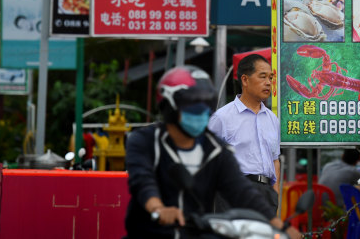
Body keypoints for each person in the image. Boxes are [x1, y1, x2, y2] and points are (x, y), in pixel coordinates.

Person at [123, 65, 299, 239]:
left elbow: (241, 190)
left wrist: (280, 225)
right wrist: (158, 208)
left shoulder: (214, 149)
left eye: (206, 106)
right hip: (151, 232)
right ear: (170, 106)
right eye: (194, 106)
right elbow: (143, 182)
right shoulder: (144, 141)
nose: (202, 113)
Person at [208, 54, 280, 217]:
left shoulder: (272, 119)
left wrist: (275, 194)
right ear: (245, 80)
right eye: (262, 77)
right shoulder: (222, 117)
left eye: (270, 77)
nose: (268, 82)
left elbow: (275, 160)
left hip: (266, 194)